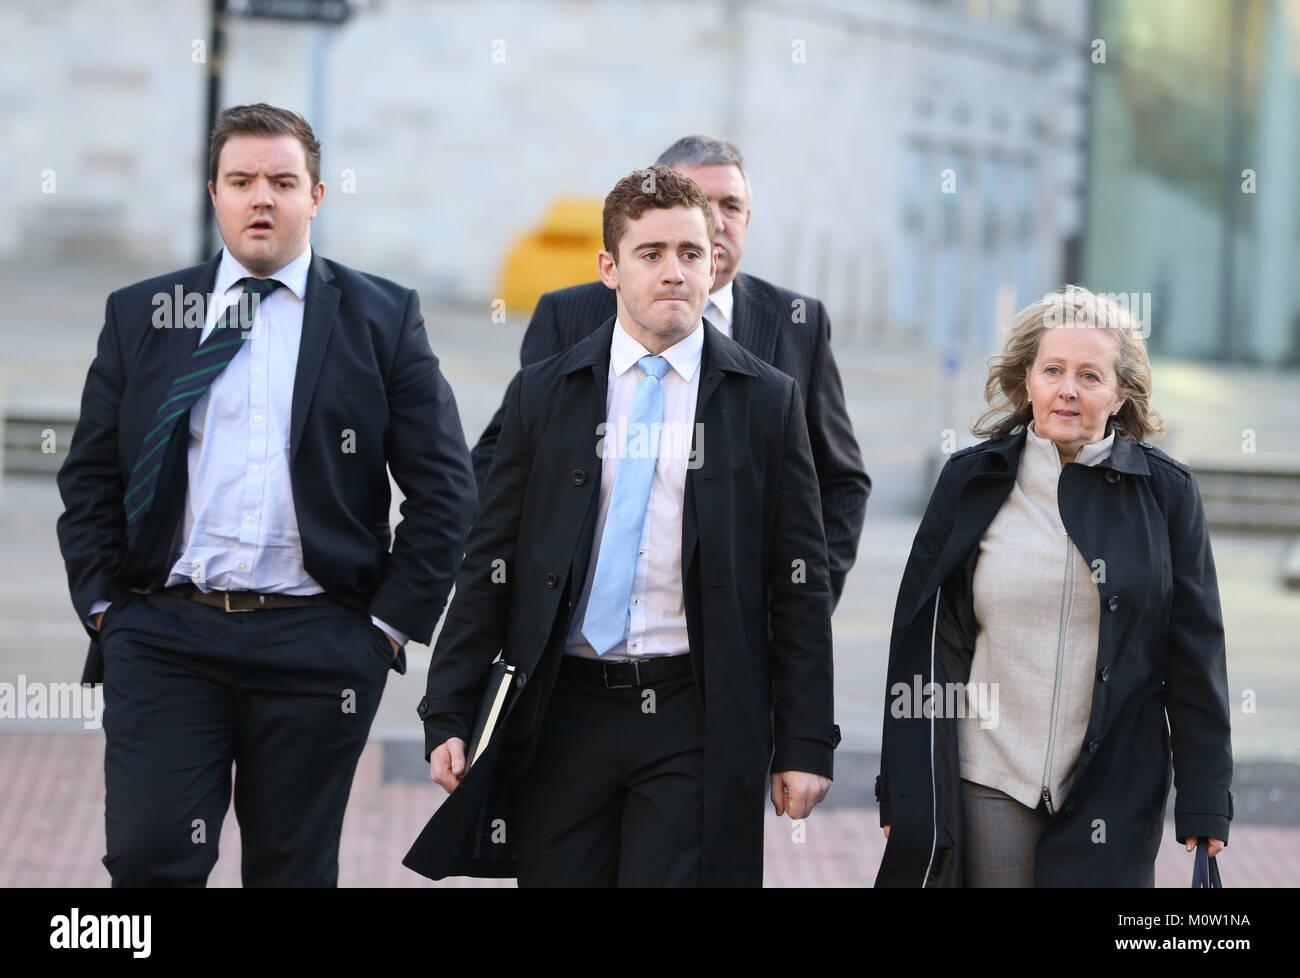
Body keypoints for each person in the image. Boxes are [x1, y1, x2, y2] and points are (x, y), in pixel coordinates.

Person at [55, 103, 476, 886]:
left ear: (316, 197)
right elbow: (89, 477)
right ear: (212, 191)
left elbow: (447, 489)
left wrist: (385, 628)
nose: (262, 198)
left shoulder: (381, 319)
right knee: (150, 857)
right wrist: (109, 611)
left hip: (319, 645)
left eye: (283, 181)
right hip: (166, 635)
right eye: (242, 180)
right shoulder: (143, 312)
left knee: (291, 870)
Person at [405, 165, 838, 887]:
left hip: (693, 714)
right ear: (609, 267)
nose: (675, 272)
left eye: (691, 254)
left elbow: (799, 583)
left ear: (714, 264)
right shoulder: (546, 391)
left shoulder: (767, 402)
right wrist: (448, 708)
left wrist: (806, 742)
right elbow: (491, 560)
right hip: (561, 709)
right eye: (652, 254)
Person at [875, 286, 1233, 887]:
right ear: (1028, 381)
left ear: (1120, 395)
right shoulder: (972, 480)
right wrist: (904, 788)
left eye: (1090, 375)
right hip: (991, 776)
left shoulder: (1166, 494)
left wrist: (1206, 797)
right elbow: (921, 640)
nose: (1068, 389)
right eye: (1053, 370)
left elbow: (1196, 652)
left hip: (1115, 787)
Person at [471, 136, 869, 608]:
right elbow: (503, 462)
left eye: (732, 205)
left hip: (730, 637)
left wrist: (802, 601)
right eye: (699, 201)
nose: (717, 221)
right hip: (574, 629)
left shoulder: (797, 321)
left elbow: (840, 482)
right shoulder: (569, 315)